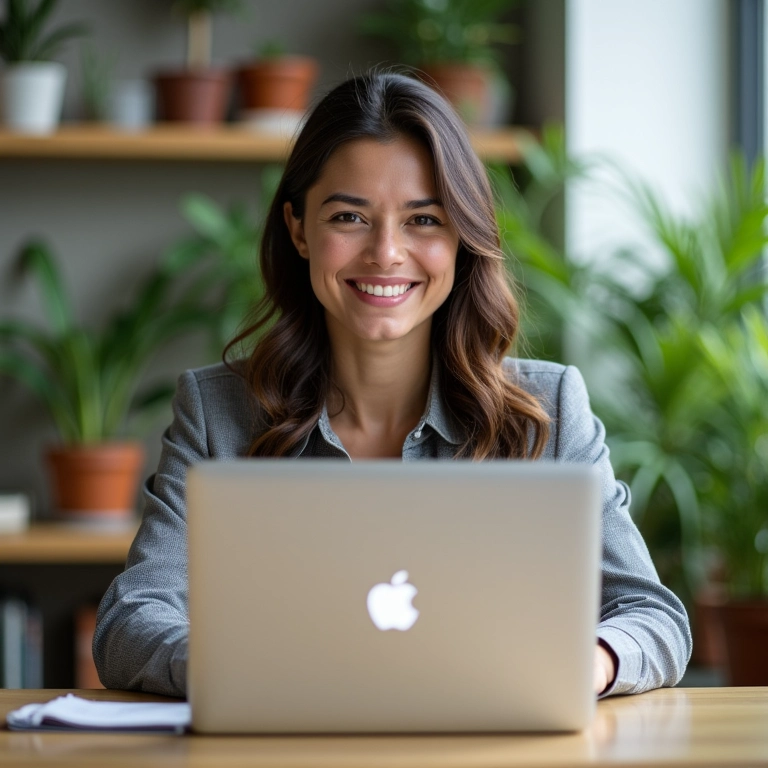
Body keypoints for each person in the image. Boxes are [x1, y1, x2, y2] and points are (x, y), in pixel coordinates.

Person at [93, 71, 691, 699]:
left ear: (463, 236)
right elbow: (130, 622)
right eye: (349, 216)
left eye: (423, 220)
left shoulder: (549, 411)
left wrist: (585, 664)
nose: (385, 253)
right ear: (299, 229)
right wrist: (242, 670)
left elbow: (653, 617)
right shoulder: (217, 413)